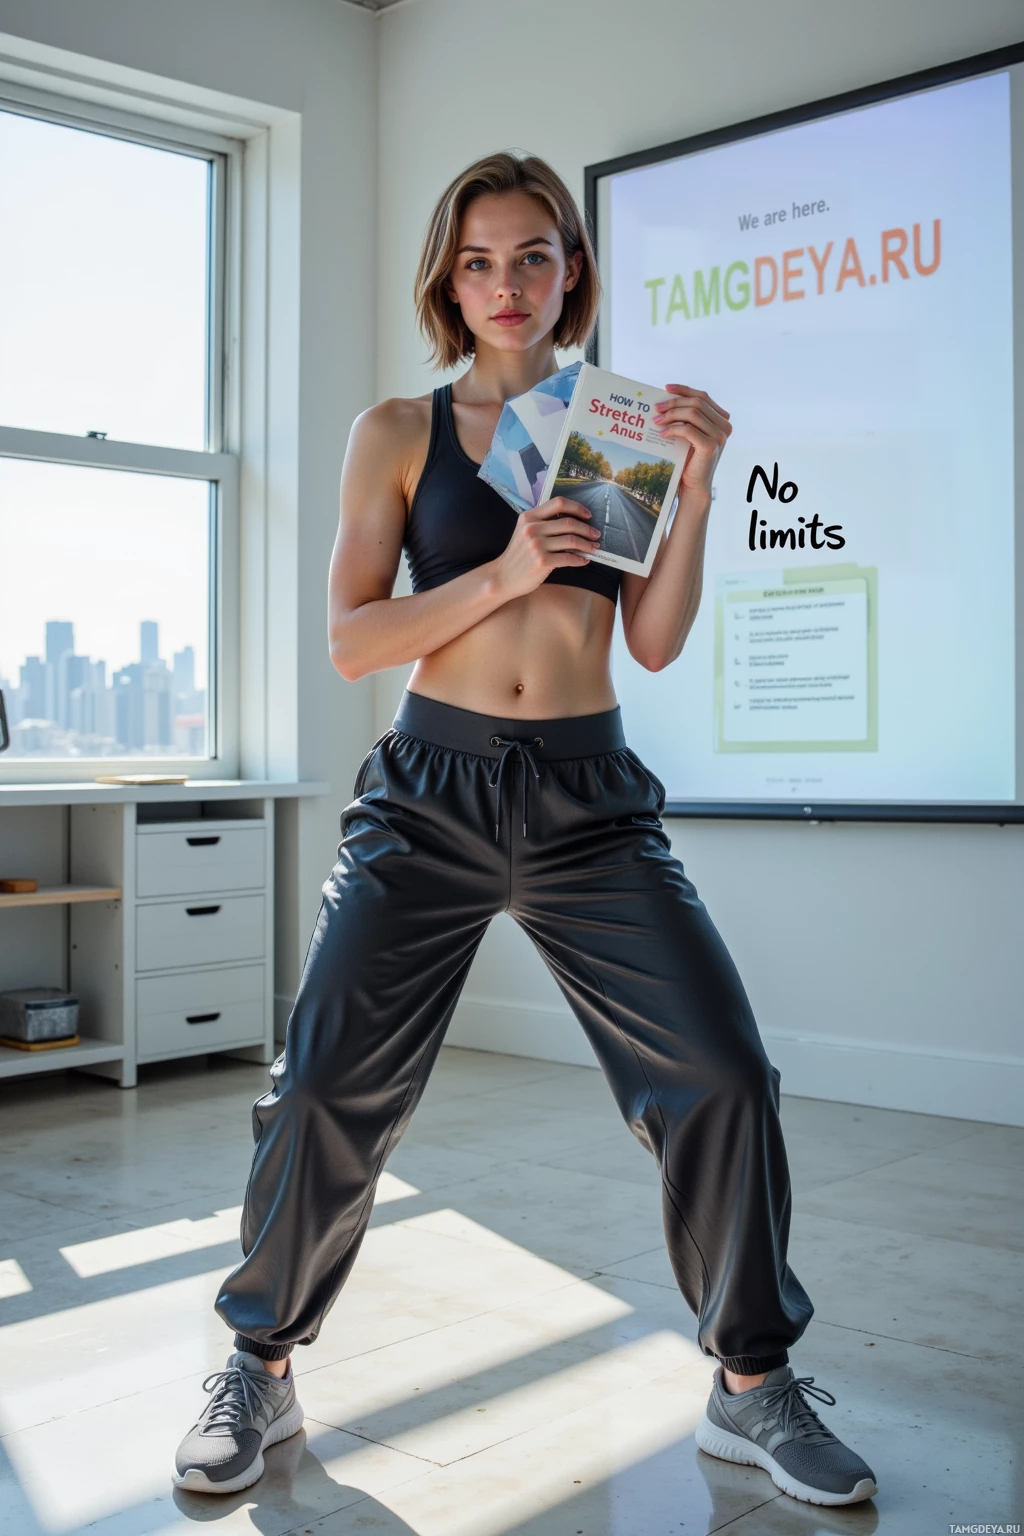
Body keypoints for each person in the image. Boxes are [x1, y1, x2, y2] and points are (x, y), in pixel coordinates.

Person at [173, 150, 877, 1509]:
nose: (509, 284)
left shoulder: (616, 423)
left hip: (587, 798)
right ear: (450, 273)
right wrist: (502, 568)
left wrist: (703, 481)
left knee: (723, 1074)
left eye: (536, 256)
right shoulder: (397, 431)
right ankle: (258, 1362)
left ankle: (751, 1384)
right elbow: (350, 638)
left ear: (574, 270)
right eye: (483, 259)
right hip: (429, 792)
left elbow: (655, 644)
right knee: (322, 1084)